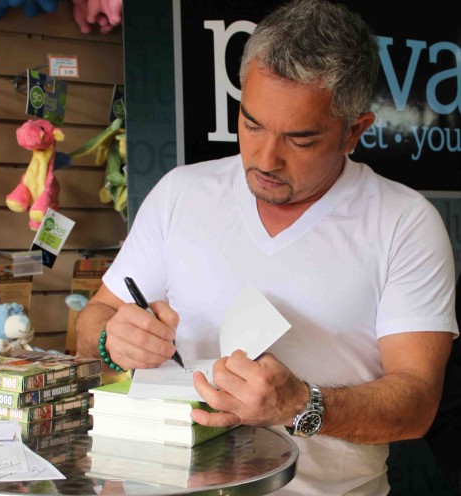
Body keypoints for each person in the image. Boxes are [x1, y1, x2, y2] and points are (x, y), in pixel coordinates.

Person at [75, 0, 458, 494]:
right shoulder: (180, 194)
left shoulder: (404, 224)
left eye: (299, 140)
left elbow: (418, 403)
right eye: (252, 124)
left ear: (354, 132)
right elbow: (93, 323)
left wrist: (300, 404)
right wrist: (111, 338)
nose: (264, 159)